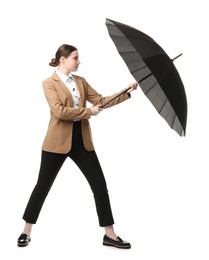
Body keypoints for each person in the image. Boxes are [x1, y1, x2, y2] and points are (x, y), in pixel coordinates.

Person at [17, 44, 138, 249]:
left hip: (82, 142)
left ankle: (110, 234)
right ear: (63, 59)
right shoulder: (49, 83)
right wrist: (87, 112)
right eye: (75, 57)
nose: (79, 61)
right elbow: (60, 112)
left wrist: (125, 91)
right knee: (42, 187)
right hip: (55, 144)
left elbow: (100, 101)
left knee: (99, 185)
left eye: (78, 58)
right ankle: (25, 231)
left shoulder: (80, 81)